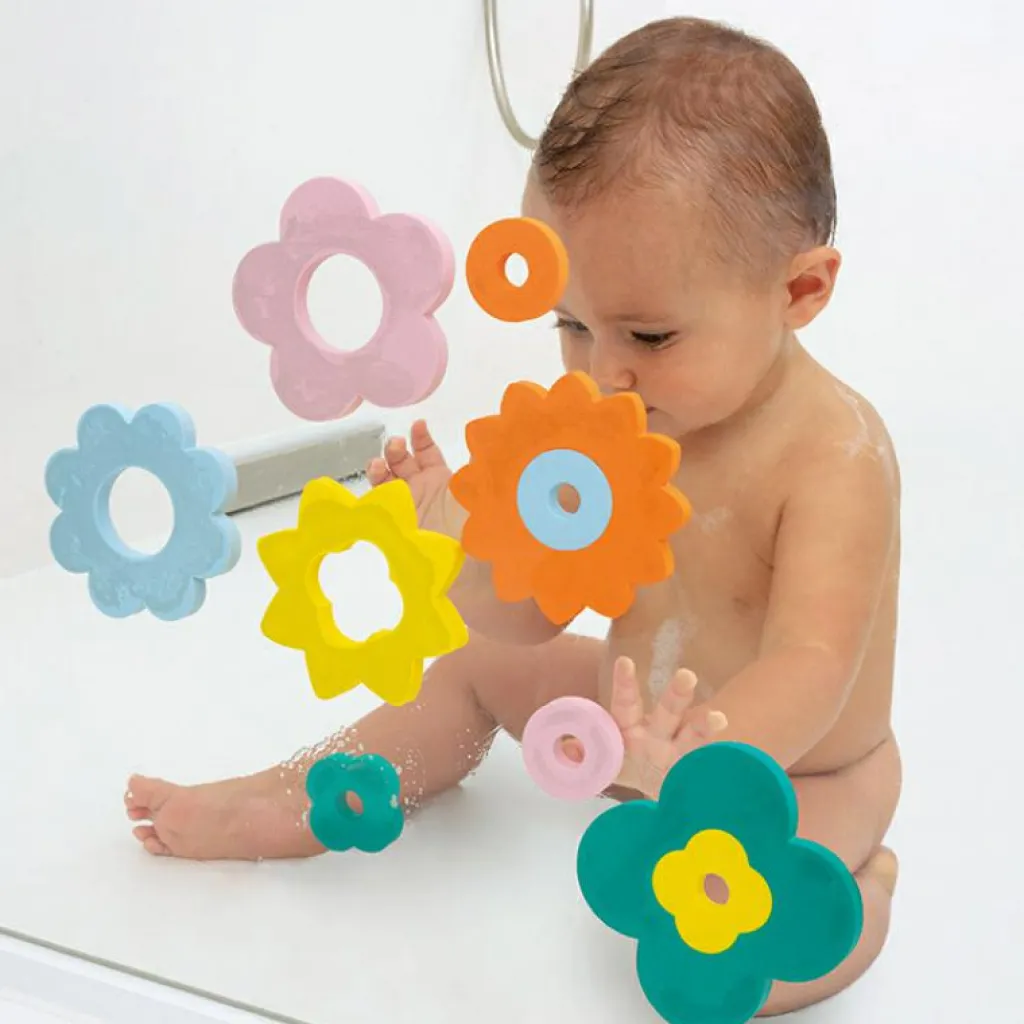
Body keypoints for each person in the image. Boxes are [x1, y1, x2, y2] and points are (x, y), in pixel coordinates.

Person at [124, 17, 901, 1015]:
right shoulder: (612, 429)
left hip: (801, 771)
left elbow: (815, 664)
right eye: (571, 324)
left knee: (738, 966)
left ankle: (866, 896)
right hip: (625, 719)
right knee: (470, 662)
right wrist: (455, 544)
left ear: (799, 289)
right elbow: (529, 615)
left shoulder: (832, 456)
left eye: (649, 335)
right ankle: (302, 793)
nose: (603, 372)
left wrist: (702, 759)